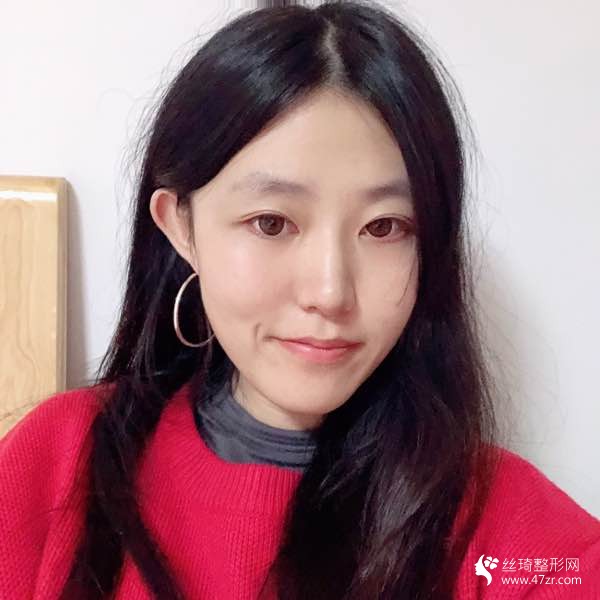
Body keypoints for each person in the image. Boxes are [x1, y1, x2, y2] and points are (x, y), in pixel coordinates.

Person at [1, 1, 598, 598]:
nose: (330, 293)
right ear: (181, 226)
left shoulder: (518, 543)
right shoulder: (53, 465)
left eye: (385, 227)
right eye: (271, 222)